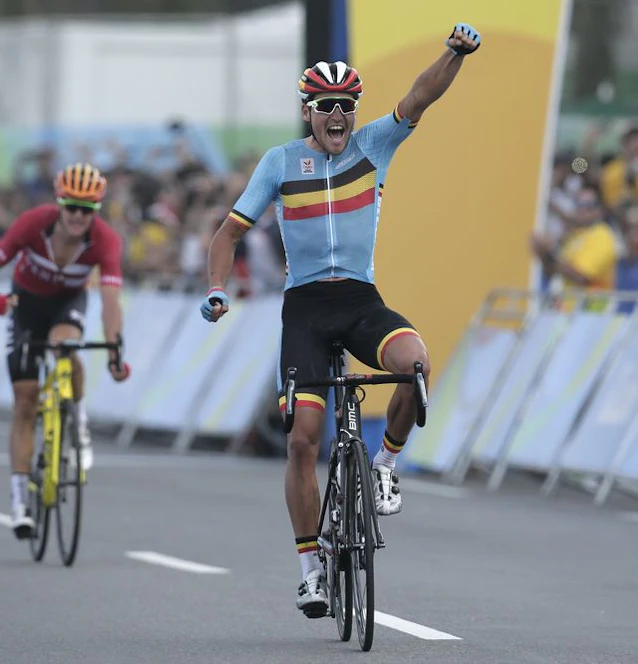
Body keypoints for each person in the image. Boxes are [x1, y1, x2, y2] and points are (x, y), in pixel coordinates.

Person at [200, 23, 481, 617]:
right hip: (305, 309)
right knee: (303, 440)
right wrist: (218, 289)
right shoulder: (280, 162)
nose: (337, 115)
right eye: (326, 105)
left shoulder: (374, 146)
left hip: (359, 302)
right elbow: (228, 234)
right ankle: (310, 569)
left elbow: (421, 95)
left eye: (346, 105)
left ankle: (384, 465)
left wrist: (453, 53)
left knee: (416, 365)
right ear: (308, 111)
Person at [0, 163, 131, 539]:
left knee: (66, 346)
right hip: (26, 307)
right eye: (71, 207)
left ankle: (78, 421)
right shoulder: (32, 224)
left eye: (86, 210)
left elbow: (110, 300)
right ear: (59, 204)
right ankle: (19, 499)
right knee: (25, 401)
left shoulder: (105, 240)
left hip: (67, 305)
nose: (77, 216)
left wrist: (115, 351)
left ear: (96, 211)